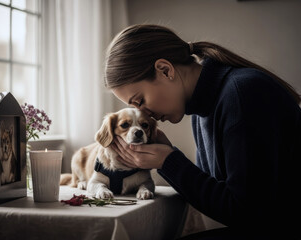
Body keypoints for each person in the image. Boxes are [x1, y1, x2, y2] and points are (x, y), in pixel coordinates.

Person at [105, 24, 301, 239]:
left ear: (165, 70)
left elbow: (246, 213)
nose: (145, 114)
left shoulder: (242, 95)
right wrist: (167, 157)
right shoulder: (203, 109)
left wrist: (169, 162)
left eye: (140, 101)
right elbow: (220, 201)